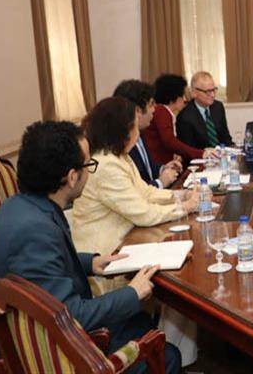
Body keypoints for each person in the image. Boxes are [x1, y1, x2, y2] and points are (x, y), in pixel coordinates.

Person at [0, 121, 181, 372]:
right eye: (88, 165)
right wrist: (132, 293)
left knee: (139, 320)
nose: (90, 172)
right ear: (72, 177)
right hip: (45, 353)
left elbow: (41, 272)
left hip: (40, 329)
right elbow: (71, 316)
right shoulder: (35, 231)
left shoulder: (18, 206)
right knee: (168, 355)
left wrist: (91, 262)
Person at [72, 97, 199, 292]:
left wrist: (181, 195)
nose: (139, 131)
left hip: (129, 242)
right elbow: (143, 213)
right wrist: (185, 207)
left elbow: (145, 192)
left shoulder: (119, 156)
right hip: (105, 258)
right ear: (124, 130)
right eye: (135, 124)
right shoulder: (106, 165)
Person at [113, 79, 182, 188]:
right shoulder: (121, 143)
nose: (154, 110)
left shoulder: (140, 133)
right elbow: (134, 188)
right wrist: (160, 182)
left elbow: (148, 167)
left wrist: (163, 168)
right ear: (138, 111)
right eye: (151, 105)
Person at [145, 74, 217, 164]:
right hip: (158, 165)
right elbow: (170, 141)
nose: (185, 99)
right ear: (174, 97)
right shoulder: (161, 112)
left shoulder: (165, 111)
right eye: (183, 95)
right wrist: (201, 153)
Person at [176, 71, 233, 150]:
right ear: (194, 93)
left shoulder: (218, 107)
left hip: (222, 154)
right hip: (201, 156)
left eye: (214, 90)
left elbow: (226, 138)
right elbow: (188, 151)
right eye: (208, 91)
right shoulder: (185, 117)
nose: (213, 95)